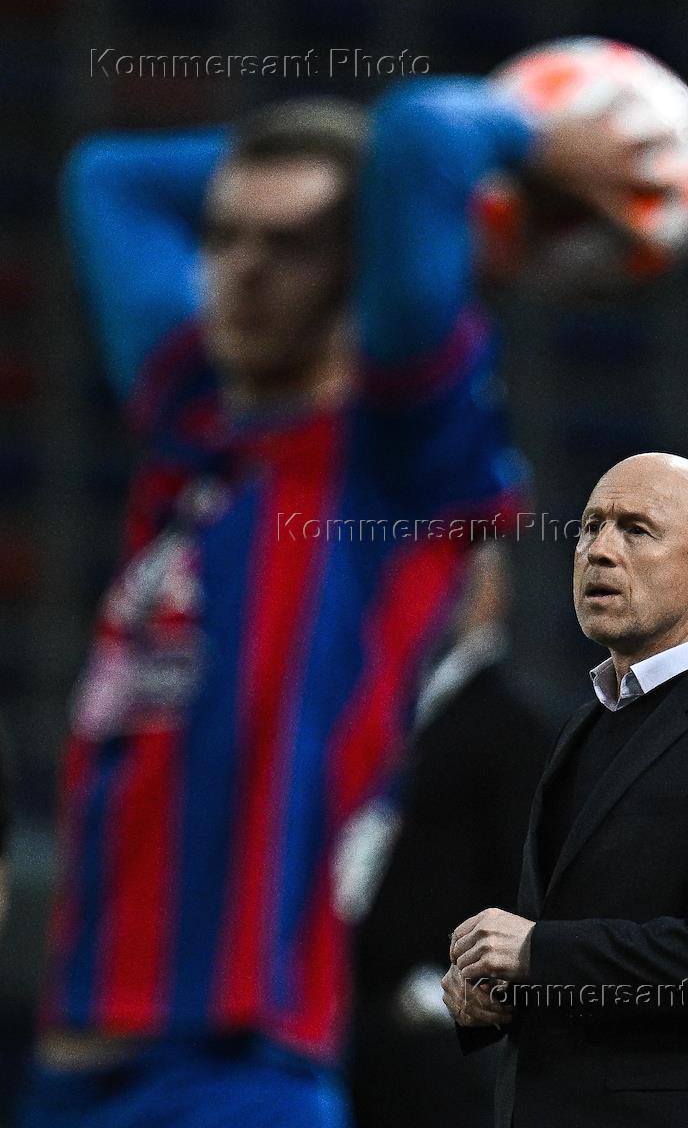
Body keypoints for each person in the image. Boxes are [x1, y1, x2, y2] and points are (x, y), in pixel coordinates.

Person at [20, 78, 650, 1128]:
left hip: (236, 1077)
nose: (242, 269)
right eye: (225, 237)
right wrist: (338, 183)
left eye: (294, 246)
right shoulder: (195, 428)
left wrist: (529, 142)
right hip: (70, 1076)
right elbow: (108, 178)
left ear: (366, 271)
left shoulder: (398, 457)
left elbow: (423, 141)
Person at [443, 452, 688, 1128]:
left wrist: (538, 953)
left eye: (636, 530)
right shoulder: (586, 722)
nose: (599, 551)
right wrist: (497, 993)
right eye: (590, 527)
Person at [349, 544, 552, 1128]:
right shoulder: (379, 705)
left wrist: (446, 994)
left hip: (428, 1043)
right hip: (349, 1015)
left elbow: (524, 882)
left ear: (492, 594)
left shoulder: (516, 728)